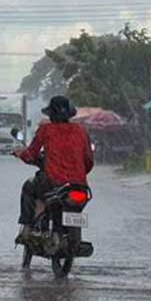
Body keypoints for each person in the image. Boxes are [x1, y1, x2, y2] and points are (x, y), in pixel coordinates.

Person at [13, 96, 94, 242]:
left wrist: (20, 153)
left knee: (28, 186)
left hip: (53, 183)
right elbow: (88, 161)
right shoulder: (80, 130)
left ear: (51, 114)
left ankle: (27, 227)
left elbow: (31, 154)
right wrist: (78, 173)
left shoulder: (46, 130)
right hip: (79, 186)